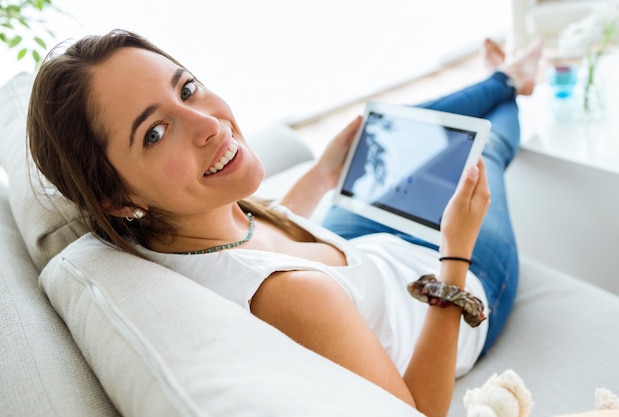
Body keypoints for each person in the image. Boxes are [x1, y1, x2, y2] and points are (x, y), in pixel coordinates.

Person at [27, 29, 539, 417]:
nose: (209, 125)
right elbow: (418, 408)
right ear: (115, 198)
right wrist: (455, 253)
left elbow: (255, 244)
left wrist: (322, 174)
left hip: (364, 247)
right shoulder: (295, 298)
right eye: (156, 133)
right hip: (448, 284)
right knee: (486, 144)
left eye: (187, 89)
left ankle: (503, 77)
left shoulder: (178, 229)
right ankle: (513, 82)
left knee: (396, 127)